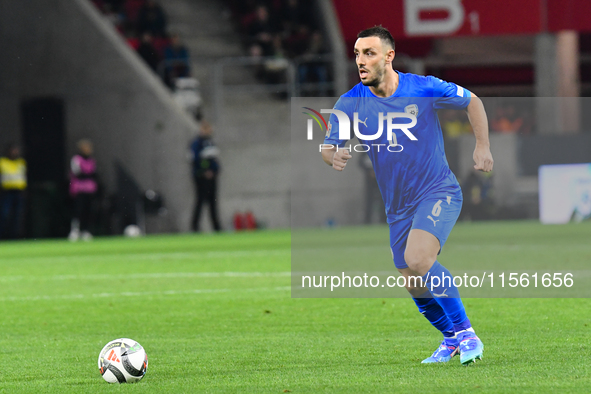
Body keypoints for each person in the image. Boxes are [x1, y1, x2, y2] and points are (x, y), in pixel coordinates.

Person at [321, 26, 493, 365]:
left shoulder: (424, 87)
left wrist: (483, 146)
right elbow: (328, 145)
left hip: (437, 191)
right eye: (356, 53)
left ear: (389, 56)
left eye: (368, 53)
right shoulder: (350, 102)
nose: (360, 60)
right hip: (397, 206)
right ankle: (450, 340)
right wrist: (333, 155)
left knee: (418, 258)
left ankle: (467, 333)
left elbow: (472, 100)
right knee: (412, 279)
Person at [190, 122, 222, 232]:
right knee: (200, 200)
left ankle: (216, 226)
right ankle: (195, 226)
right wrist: (205, 171)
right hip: (201, 177)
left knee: (213, 201)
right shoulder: (197, 143)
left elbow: (214, 160)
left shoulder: (210, 143)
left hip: (212, 177)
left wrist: (215, 170)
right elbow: (197, 160)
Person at [69, 139, 98, 241]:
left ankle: (85, 231)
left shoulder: (91, 160)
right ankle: (75, 230)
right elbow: (77, 173)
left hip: (89, 190)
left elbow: (94, 174)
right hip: (79, 189)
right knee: (78, 211)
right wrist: (88, 175)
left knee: (88, 211)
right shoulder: (76, 159)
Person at [0, 144, 27, 239]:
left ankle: (15, 236)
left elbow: (23, 177)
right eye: (13, 150)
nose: (15, 152)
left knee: (17, 216)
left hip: (18, 192)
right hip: (6, 192)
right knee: (4, 214)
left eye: (16, 150)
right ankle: (3, 235)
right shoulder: (2, 162)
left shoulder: (21, 162)